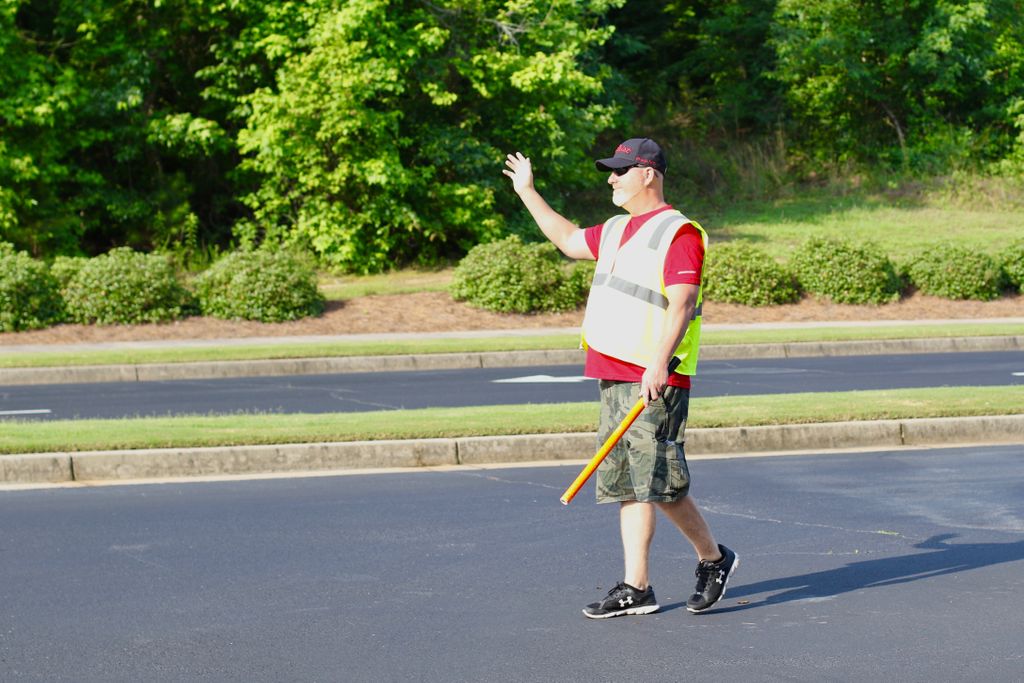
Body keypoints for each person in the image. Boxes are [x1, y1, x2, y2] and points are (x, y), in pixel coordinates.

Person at [502, 137, 738, 619]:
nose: (611, 178)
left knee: (660, 484)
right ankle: (637, 587)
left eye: (620, 170)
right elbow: (569, 240)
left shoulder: (678, 232)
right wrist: (527, 190)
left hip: (655, 377)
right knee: (629, 486)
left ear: (648, 174)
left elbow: (682, 304)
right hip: (613, 373)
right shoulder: (614, 229)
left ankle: (714, 559)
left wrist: (658, 362)